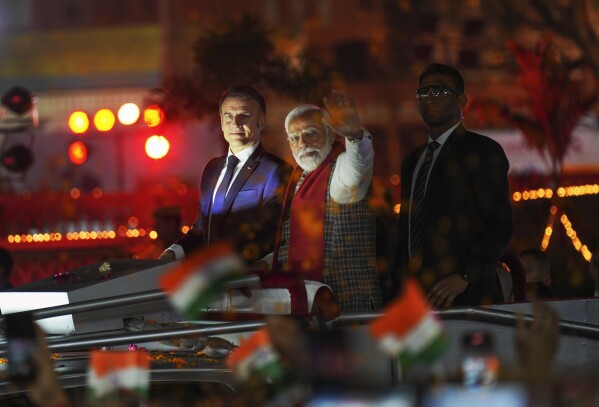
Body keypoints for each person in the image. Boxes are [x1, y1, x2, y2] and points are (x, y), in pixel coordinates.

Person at [395, 63, 514, 310]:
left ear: (461, 101)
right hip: (417, 297)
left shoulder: (481, 150)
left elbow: (500, 224)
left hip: (467, 296)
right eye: (423, 92)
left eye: (439, 91)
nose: (429, 99)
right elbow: (407, 228)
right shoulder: (412, 162)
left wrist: (465, 275)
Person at [259, 92, 382, 317]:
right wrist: (266, 264)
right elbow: (294, 243)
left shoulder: (341, 168)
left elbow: (358, 165)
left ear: (329, 132)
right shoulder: (297, 180)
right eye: (294, 138)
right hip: (305, 305)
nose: (303, 143)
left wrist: (355, 137)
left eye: (310, 133)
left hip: (346, 305)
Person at [159, 85, 292, 265]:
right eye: (229, 116)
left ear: (261, 121)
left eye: (244, 116)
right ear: (221, 122)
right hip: (211, 281)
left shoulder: (276, 170)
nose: (235, 123)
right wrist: (174, 252)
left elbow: (275, 234)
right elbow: (202, 228)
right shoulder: (212, 168)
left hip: (250, 280)